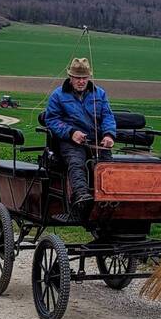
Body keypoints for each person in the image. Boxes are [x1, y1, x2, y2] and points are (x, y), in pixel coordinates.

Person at [44, 57, 117, 209]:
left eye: (84, 78)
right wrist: (71, 133)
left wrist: (109, 135)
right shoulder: (58, 95)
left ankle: (110, 198)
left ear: (89, 77)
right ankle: (81, 197)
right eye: (77, 78)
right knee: (77, 162)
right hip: (70, 141)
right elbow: (51, 120)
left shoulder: (100, 94)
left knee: (107, 165)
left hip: (95, 140)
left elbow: (108, 116)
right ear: (70, 77)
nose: (81, 81)